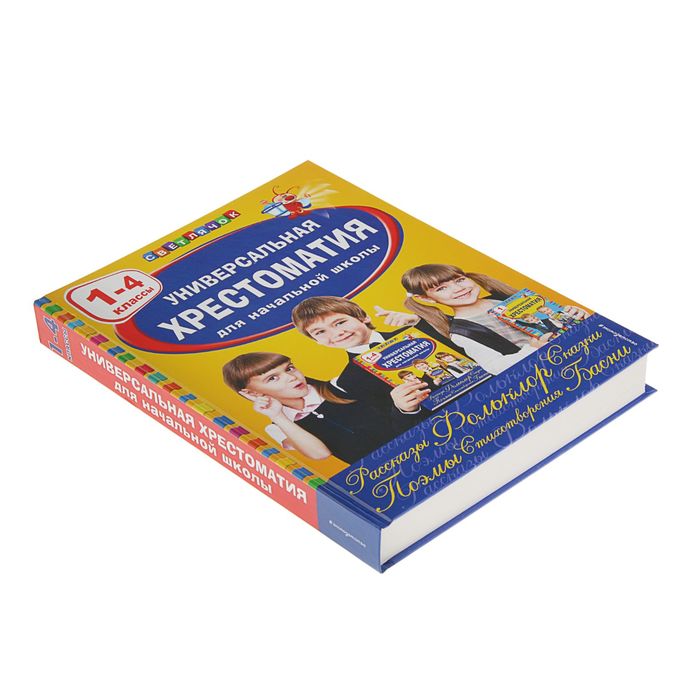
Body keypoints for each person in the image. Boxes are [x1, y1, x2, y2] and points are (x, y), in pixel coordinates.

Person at [391, 264, 589, 376]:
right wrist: (532, 349)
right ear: (426, 298)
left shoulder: (506, 298)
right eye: (442, 288)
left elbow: (554, 319)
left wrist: (575, 315)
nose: (459, 288)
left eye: (459, 280)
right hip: (553, 368)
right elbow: (495, 366)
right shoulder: (462, 331)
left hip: (581, 347)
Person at [222, 352, 390, 464]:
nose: (291, 377)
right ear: (251, 393)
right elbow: (320, 454)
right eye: (272, 378)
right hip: (379, 471)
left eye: (289, 368)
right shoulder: (278, 426)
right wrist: (277, 416)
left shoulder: (339, 386)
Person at [291, 296, 434, 417]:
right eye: (320, 332)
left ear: (364, 317)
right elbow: (389, 425)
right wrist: (404, 409)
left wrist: (422, 322)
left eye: (340, 323)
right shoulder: (349, 381)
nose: (337, 333)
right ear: (316, 341)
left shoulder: (416, 330)